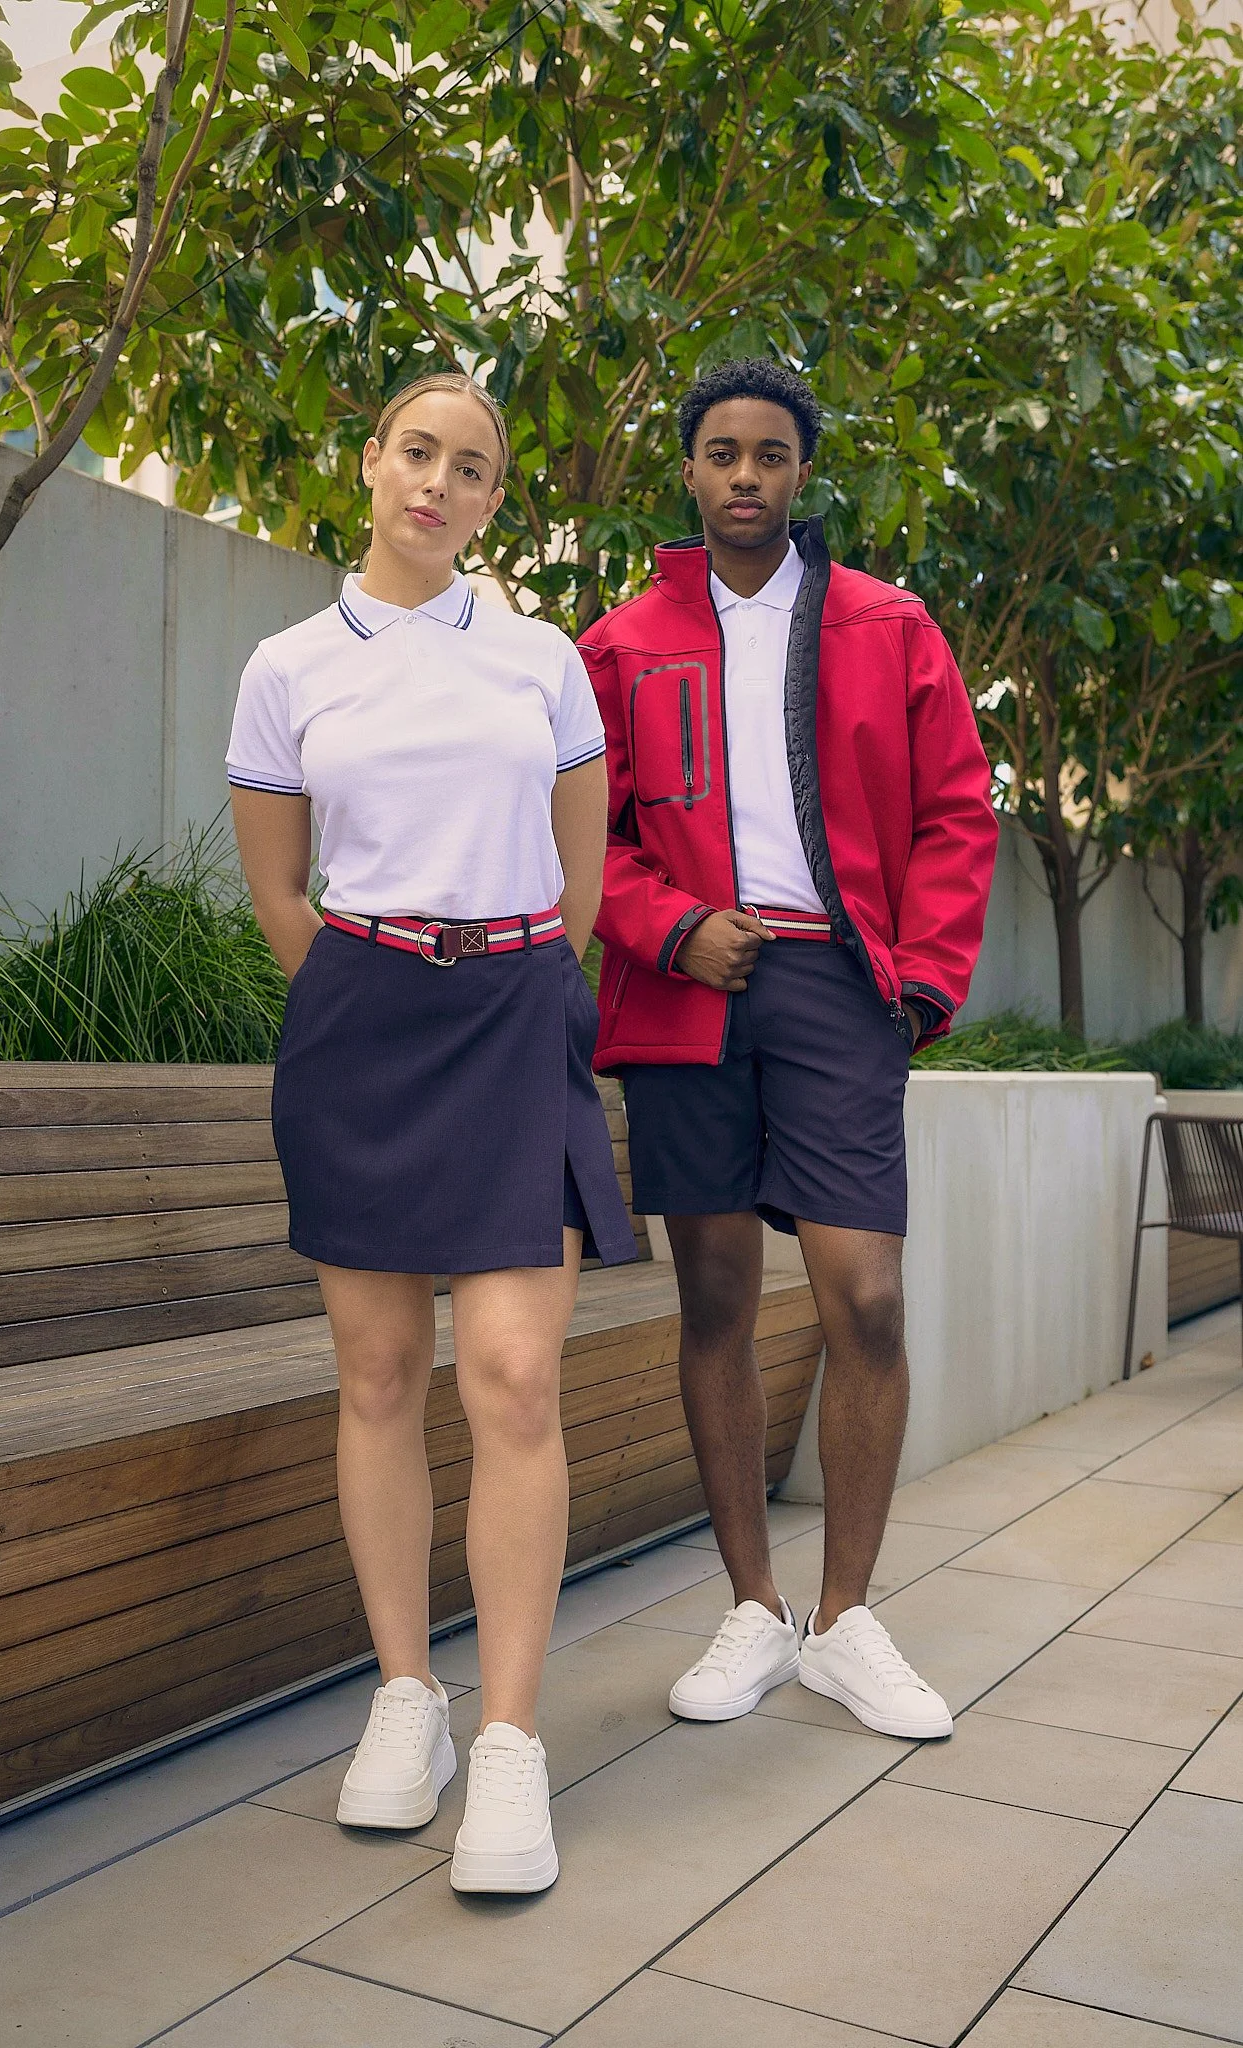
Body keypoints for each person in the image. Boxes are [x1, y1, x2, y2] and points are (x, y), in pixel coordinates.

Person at [227, 370, 636, 1895]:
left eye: (471, 467)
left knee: (517, 1377)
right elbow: (280, 891)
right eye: (418, 451)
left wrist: (527, 979)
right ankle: (410, 1698)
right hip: (362, 1024)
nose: (438, 484)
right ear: (371, 460)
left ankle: (513, 1746)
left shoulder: (539, 660)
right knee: (382, 1372)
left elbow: (583, 860)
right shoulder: (286, 665)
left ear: (489, 499)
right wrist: (366, 988)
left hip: (517, 1011)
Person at [580, 357, 997, 1740]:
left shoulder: (892, 627)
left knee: (861, 1294)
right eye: (720, 452)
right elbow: (593, 839)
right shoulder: (622, 644)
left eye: (769, 452)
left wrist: (920, 982)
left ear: (801, 473)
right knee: (712, 1296)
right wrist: (669, 925)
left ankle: (848, 1619)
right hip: (690, 987)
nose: (745, 474)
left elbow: (955, 813)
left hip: (836, 986)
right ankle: (754, 1606)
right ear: (689, 471)